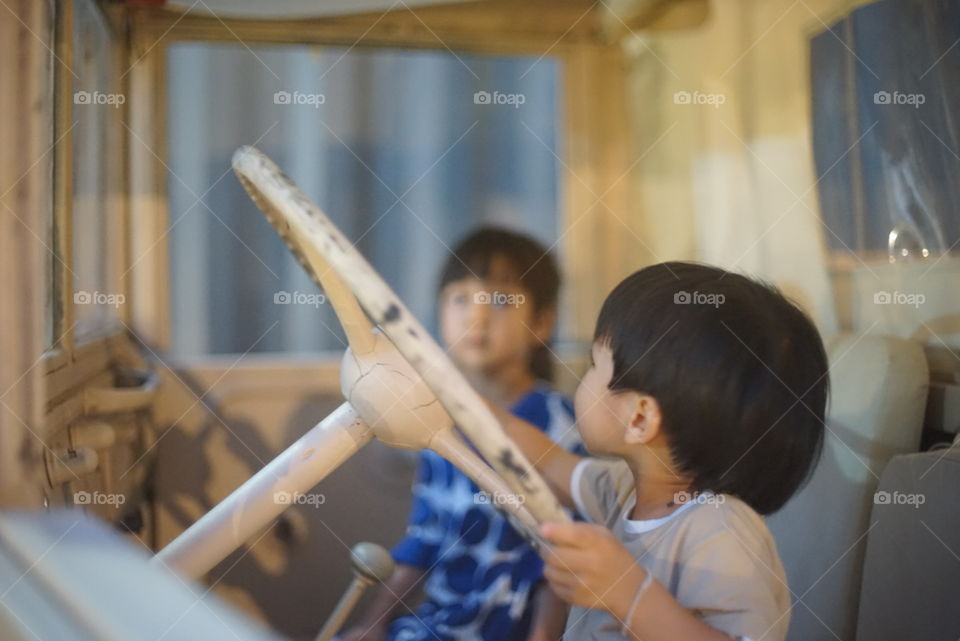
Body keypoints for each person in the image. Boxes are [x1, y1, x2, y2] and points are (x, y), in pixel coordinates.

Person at [491, 262, 829, 641]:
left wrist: (629, 594)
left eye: (594, 365)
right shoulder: (623, 490)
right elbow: (549, 461)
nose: (581, 381)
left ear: (639, 418)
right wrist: (454, 405)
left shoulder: (720, 530)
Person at [341, 227, 584, 641]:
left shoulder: (561, 424)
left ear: (542, 323)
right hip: (440, 625)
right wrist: (373, 624)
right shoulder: (432, 420)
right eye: (460, 299)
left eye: (501, 301)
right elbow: (425, 541)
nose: (477, 316)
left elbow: (562, 559)